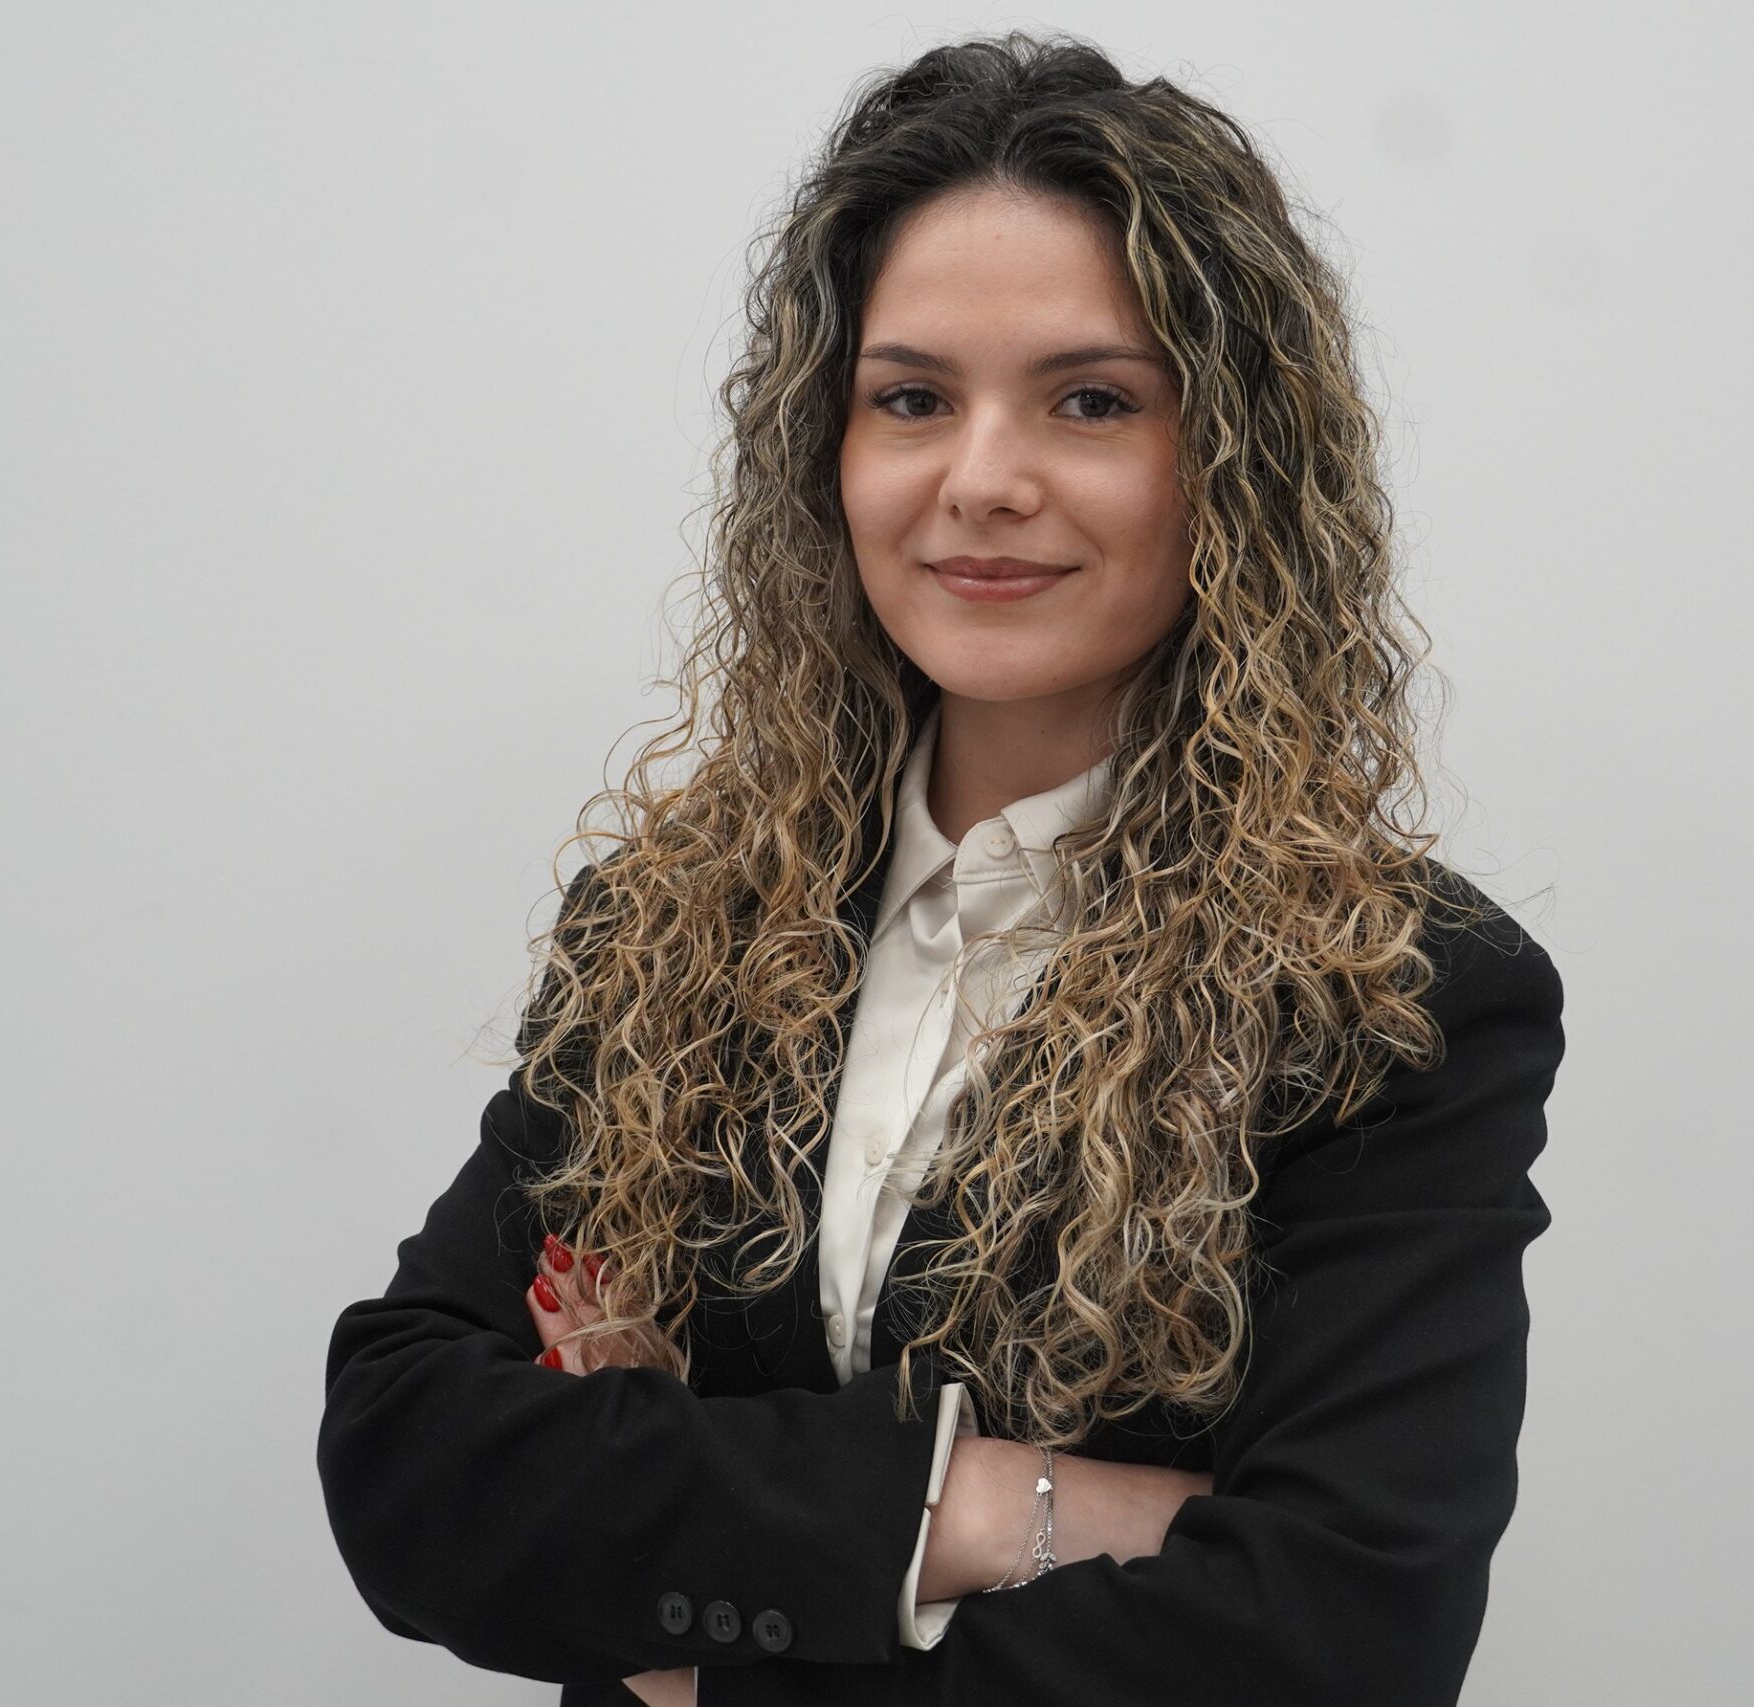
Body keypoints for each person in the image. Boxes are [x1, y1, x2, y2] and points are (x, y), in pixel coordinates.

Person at [317, 29, 1566, 1707]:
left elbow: (1331, 1636)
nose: (983, 481)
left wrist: (705, 1650)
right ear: (826, 460)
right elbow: (408, 1454)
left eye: (1092, 400)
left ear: (1236, 472)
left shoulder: (1389, 994)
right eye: (912, 398)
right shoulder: (674, 922)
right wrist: (974, 1507)